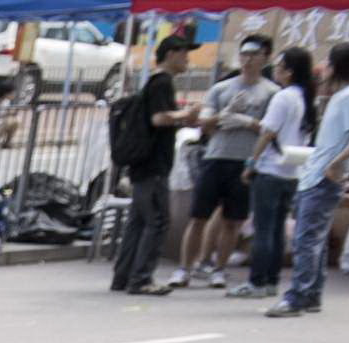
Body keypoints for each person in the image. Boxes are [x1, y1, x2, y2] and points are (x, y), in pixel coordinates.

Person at [270, 42, 349, 320]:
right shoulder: (345, 96)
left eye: (328, 64)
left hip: (322, 178)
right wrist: (347, 165)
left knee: (307, 239)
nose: (324, 70)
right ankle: (310, 294)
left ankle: (298, 296)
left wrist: (339, 162)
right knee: (313, 239)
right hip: (319, 175)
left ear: (335, 67)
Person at [181, 34, 272, 291]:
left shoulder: (271, 92)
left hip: (244, 161)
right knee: (199, 216)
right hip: (216, 157)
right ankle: (185, 268)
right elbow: (205, 122)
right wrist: (225, 114)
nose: (248, 59)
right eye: (244, 53)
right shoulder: (222, 89)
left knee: (233, 220)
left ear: (265, 58)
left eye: (254, 54)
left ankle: (219, 269)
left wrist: (249, 122)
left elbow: (271, 130)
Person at [110, 33, 198, 295]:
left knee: (138, 222)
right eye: (184, 53)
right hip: (153, 164)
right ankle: (141, 278)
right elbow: (159, 119)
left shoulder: (153, 82)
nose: (187, 59)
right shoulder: (162, 83)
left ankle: (123, 276)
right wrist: (186, 115)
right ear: (171, 54)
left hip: (142, 165)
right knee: (157, 221)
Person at [241, 46, 316, 301]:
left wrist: (252, 162)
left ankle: (257, 281)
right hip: (292, 171)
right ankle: (271, 281)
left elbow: (268, 132)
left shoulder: (283, 97)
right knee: (276, 230)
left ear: (289, 71)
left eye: (280, 65)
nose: (276, 69)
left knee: (263, 228)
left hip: (271, 169)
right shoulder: (306, 97)